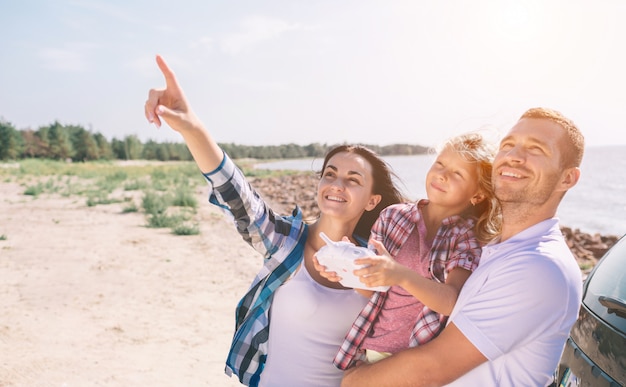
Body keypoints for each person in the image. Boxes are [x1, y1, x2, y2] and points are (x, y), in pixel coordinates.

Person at [143, 55, 407, 387]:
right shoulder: (287, 240)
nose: (338, 184)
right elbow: (238, 197)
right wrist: (193, 127)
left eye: (353, 179)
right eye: (330, 174)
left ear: (372, 200)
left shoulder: (380, 264)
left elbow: (408, 324)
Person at [340, 107, 585, 387]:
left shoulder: (539, 267)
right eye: (508, 145)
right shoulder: (495, 249)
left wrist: (354, 381)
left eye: (536, 149)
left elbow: (431, 369)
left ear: (568, 178)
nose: (515, 156)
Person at [322, 132, 501, 369]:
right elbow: (370, 290)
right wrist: (346, 268)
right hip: (370, 349)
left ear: (477, 195)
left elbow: (451, 301)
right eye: (440, 164)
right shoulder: (393, 216)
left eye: (457, 173)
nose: (442, 175)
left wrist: (401, 275)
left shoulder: (466, 238)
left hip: (418, 362)